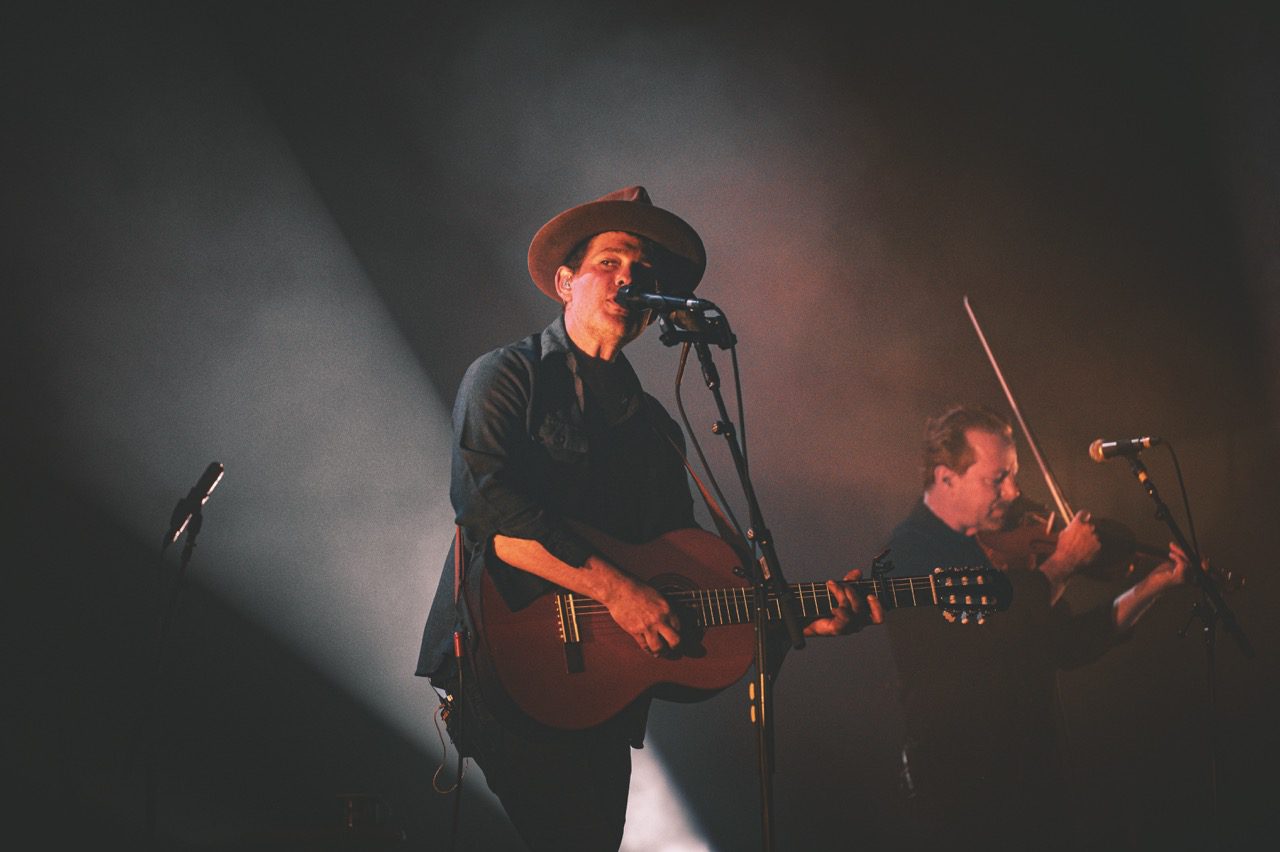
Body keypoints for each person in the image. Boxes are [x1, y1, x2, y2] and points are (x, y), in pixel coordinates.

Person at [415, 185, 883, 851]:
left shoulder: (657, 429)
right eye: (610, 262)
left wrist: (795, 613)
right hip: (504, 656)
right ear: (564, 281)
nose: (629, 278)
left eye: (642, 272)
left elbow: (682, 562)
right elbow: (488, 509)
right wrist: (617, 590)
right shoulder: (508, 375)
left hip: (597, 689)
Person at [880, 404, 1192, 851]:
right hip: (962, 789)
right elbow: (989, 630)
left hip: (1031, 776)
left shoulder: (1001, 547)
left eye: (1014, 475)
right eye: (998, 479)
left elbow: (1068, 645)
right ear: (946, 477)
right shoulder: (908, 553)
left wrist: (1154, 585)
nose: (1014, 492)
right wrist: (1061, 563)